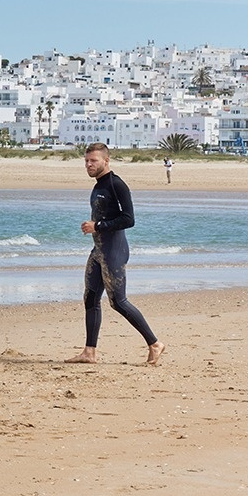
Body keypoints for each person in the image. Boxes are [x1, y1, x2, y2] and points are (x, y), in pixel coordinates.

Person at [66, 143, 165, 366]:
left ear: (106, 161)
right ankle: (89, 352)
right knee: (90, 298)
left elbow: (129, 219)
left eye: (93, 161)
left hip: (113, 251)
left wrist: (97, 225)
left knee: (118, 302)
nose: (89, 165)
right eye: (86, 161)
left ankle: (155, 344)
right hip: (99, 250)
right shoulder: (98, 185)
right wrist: (95, 227)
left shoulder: (116, 185)